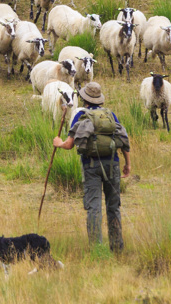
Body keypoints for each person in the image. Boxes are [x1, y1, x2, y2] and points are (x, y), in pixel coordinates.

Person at [53, 82, 131, 252]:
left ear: (84, 99)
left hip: (91, 166)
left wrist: (58, 143)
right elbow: (124, 140)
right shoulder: (111, 115)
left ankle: (97, 250)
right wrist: (128, 164)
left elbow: (69, 145)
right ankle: (117, 247)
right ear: (99, 99)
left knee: (94, 208)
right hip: (113, 164)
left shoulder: (80, 116)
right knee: (113, 206)